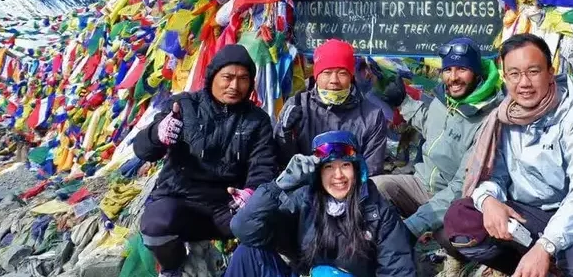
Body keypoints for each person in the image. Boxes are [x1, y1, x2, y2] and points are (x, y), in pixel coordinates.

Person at [443, 33, 573, 277]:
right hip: (529, 215)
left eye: (533, 72)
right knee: (461, 219)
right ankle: (525, 270)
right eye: (514, 74)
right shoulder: (503, 118)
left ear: (550, 71)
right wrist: (489, 201)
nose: (523, 83)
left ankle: (545, 263)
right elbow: (494, 175)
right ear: (505, 76)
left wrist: (545, 246)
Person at [133, 44, 278, 276]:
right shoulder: (184, 106)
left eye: (243, 79)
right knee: (154, 226)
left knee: (268, 224)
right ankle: (174, 266)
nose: (234, 86)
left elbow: (263, 165)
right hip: (180, 200)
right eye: (227, 77)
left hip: (226, 206)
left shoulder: (257, 120)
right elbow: (143, 150)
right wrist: (158, 134)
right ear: (212, 77)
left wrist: (251, 192)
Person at [372, 37, 503, 270]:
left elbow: (462, 187)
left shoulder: (486, 119)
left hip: (456, 199)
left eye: (462, 69)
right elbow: (430, 123)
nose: (453, 77)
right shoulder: (445, 98)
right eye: (448, 69)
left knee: (452, 233)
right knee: (374, 189)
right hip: (421, 183)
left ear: (476, 72)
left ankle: (455, 263)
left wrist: (414, 225)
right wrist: (403, 102)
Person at [225, 130, 417, 277]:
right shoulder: (303, 201)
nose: (338, 175)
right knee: (247, 252)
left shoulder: (378, 212)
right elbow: (244, 229)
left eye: (345, 165)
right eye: (329, 167)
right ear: (318, 173)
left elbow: (398, 270)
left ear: (358, 170)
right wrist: (278, 186)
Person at [275, 39, 390, 176]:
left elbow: (372, 170)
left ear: (351, 76)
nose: (334, 80)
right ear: (316, 76)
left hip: (352, 190)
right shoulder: (298, 105)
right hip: (303, 189)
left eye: (342, 73)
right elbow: (282, 162)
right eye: (327, 73)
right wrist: (285, 132)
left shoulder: (372, 115)